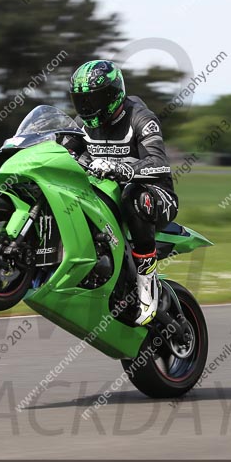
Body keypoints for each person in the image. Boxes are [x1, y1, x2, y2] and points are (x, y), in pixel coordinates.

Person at [68, 60, 178, 326]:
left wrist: (123, 170)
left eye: (94, 99)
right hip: (105, 198)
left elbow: (159, 163)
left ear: (114, 93)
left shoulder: (140, 118)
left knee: (134, 196)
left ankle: (147, 281)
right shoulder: (81, 123)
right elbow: (63, 149)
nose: (87, 107)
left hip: (155, 195)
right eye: (81, 100)